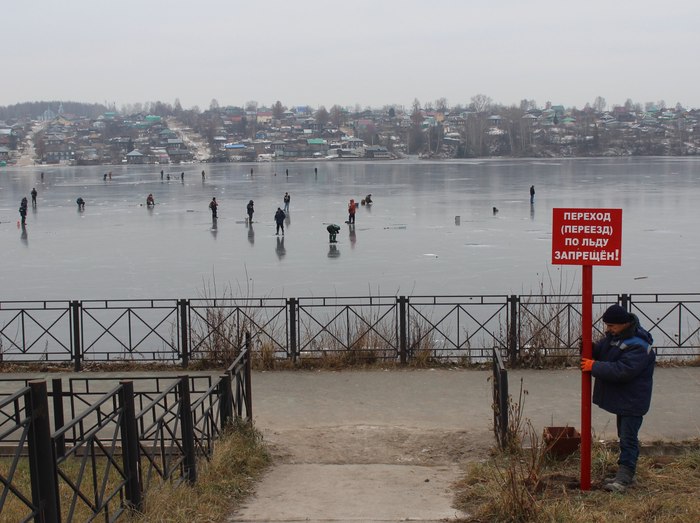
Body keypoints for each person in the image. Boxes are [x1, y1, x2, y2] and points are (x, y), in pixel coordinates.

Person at [581, 304, 655, 493]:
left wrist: (593, 366)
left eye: (611, 326)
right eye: (607, 326)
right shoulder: (616, 337)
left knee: (628, 439)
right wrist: (591, 349)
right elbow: (605, 354)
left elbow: (622, 370)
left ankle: (624, 478)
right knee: (624, 436)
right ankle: (625, 474)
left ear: (623, 324)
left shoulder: (639, 346)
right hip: (626, 400)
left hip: (633, 401)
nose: (608, 329)